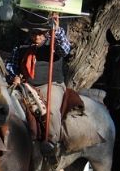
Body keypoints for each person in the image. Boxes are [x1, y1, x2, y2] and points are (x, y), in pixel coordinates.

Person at [5, 14, 71, 157]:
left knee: (51, 110)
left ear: (47, 32)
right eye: (34, 33)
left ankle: (53, 146)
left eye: (40, 33)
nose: (37, 37)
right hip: (25, 86)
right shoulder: (21, 45)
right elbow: (10, 65)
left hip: (51, 85)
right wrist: (13, 76)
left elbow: (65, 50)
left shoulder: (55, 42)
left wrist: (57, 29)